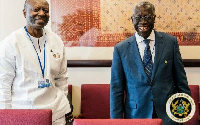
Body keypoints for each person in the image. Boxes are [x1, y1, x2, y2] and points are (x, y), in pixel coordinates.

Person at [110, 1, 191, 125]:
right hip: (135, 116)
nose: (143, 21)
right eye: (138, 17)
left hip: (168, 116)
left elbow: (181, 83)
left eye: (147, 17)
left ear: (154, 18)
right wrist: (115, 122)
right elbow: (117, 90)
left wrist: (182, 116)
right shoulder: (121, 49)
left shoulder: (170, 43)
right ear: (132, 19)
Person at [0, 0, 73, 124]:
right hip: (23, 112)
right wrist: (5, 117)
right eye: (36, 9)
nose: (41, 13)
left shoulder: (56, 41)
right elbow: (3, 84)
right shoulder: (10, 43)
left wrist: (64, 106)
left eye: (45, 10)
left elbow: (62, 79)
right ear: (24, 13)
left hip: (55, 113)